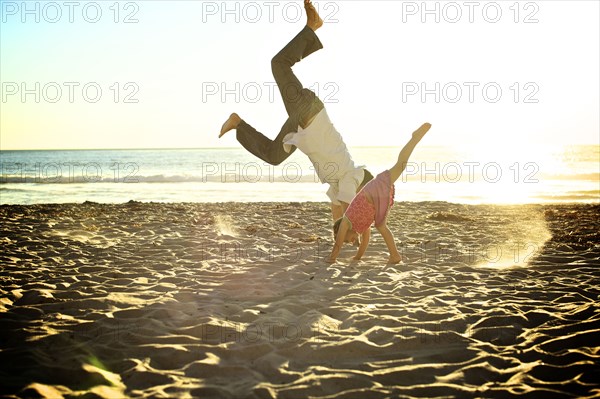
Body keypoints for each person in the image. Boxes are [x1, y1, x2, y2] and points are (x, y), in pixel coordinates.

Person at [219, 0, 372, 222]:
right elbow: (348, 210)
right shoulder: (353, 177)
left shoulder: (342, 183)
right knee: (278, 64)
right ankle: (312, 28)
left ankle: (237, 123)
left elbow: (338, 213)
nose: (359, 200)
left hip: (301, 127)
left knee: (273, 155)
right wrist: (356, 230)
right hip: (307, 112)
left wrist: (341, 237)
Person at [326, 123, 432, 264]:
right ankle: (395, 255)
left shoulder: (346, 220)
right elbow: (365, 241)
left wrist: (332, 259)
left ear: (342, 231)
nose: (350, 242)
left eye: (347, 239)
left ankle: (414, 139)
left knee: (400, 165)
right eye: (349, 243)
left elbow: (338, 243)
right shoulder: (361, 226)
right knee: (380, 225)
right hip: (378, 198)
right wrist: (358, 257)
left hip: (376, 189)